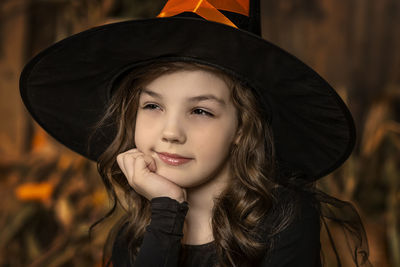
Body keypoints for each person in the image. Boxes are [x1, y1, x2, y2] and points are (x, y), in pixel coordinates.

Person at [19, 0, 374, 266]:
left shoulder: (284, 221)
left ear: (241, 127)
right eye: (153, 106)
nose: (171, 132)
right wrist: (168, 209)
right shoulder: (132, 239)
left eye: (201, 111)